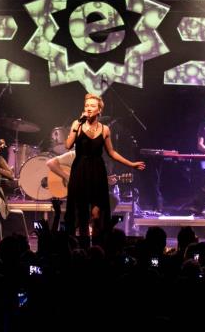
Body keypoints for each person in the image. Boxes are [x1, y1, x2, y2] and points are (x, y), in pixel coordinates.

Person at [64, 93, 145, 244]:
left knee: (97, 214)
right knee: (82, 215)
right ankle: (83, 246)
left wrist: (131, 164)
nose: (88, 108)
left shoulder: (105, 129)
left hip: (97, 171)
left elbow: (112, 152)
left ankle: (97, 247)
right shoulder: (77, 124)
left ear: (99, 110)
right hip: (80, 170)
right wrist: (76, 127)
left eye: (92, 106)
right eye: (86, 105)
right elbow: (68, 145)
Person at [46, 149, 120, 213]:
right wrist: (66, 177)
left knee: (112, 200)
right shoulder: (74, 155)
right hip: (67, 190)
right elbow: (50, 163)